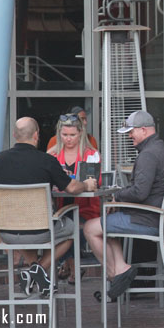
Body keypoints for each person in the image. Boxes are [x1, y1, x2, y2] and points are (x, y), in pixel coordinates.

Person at [0, 117, 97, 296]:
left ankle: (34, 269)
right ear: (36, 135)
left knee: (22, 224)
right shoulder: (46, 161)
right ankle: (37, 270)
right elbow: (71, 187)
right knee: (72, 231)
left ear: (15, 135)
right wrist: (86, 185)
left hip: (7, 232)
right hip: (41, 230)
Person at [84, 110, 164, 300]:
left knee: (91, 228)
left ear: (143, 130)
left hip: (145, 220)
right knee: (108, 224)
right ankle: (122, 269)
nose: (130, 136)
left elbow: (140, 192)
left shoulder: (148, 155)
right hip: (155, 218)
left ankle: (113, 276)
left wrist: (117, 195)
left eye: (131, 132)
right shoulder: (160, 148)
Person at [47, 113, 101, 284]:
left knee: (69, 229)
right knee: (64, 227)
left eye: (72, 135)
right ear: (58, 134)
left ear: (80, 133)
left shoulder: (91, 154)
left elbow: (93, 183)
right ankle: (72, 265)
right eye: (64, 135)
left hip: (85, 211)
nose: (68, 139)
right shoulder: (51, 155)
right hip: (58, 211)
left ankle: (68, 265)